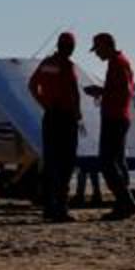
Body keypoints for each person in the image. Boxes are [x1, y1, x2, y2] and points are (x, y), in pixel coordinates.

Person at [83, 33, 135, 221]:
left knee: (107, 163)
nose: (97, 54)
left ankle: (126, 201)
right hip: (118, 116)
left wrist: (101, 91)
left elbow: (123, 90)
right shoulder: (118, 62)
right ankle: (123, 203)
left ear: (107, 46)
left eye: (98, 49)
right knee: (117, 162)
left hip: (115, 117)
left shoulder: (118, 63)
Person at [28, 32, 82, 222]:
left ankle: (48, 207)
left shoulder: (46, 64)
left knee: (51, 163)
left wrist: (44, 103)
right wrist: (77, 114)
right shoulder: (67, 66)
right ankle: (60, 207)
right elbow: (74, 92)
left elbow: (32, 85)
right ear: (70, 48)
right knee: (66, 164)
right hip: (65, 117)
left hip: (50, 116)